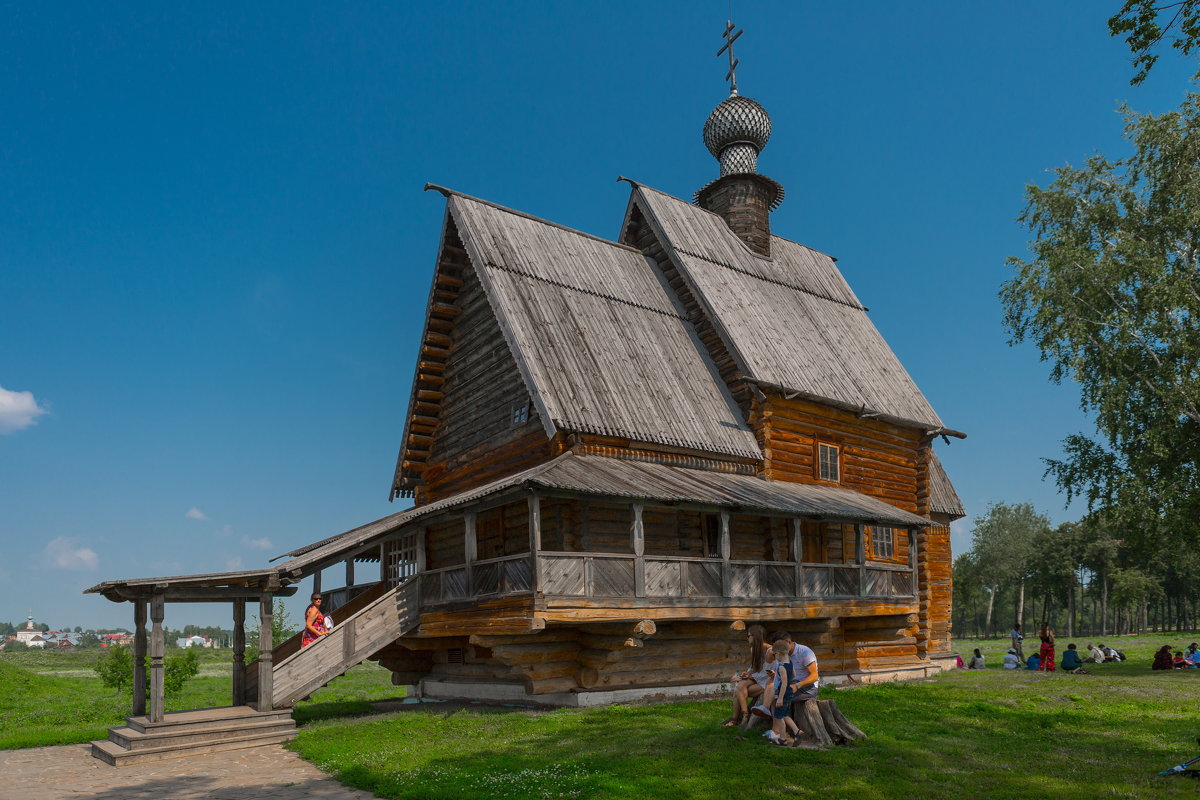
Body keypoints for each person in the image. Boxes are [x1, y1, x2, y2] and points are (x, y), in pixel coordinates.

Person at [724, 624, 770, 726]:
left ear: (755, 636)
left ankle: (737, 719)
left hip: (768, 682)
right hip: (757, 678)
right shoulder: (753, 649)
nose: (747, 638)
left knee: (738, 691)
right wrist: (746, 674)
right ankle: (744, 716)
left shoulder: (769, 651)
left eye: (748, 636)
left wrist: (748, 676)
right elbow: (755, 667)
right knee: (740, 686)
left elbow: (767, 672)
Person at [767, 639, 802, 745]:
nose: (774, 657)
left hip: (783, 693)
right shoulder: (790, 663)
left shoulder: (782, 667)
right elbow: (794, 675)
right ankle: (797, 731)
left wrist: (780, 698)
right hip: (789, 692)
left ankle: (782, 739)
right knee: (785, 714)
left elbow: (784, 683)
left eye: (774, 654)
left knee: (778, 716)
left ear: (777, 653)